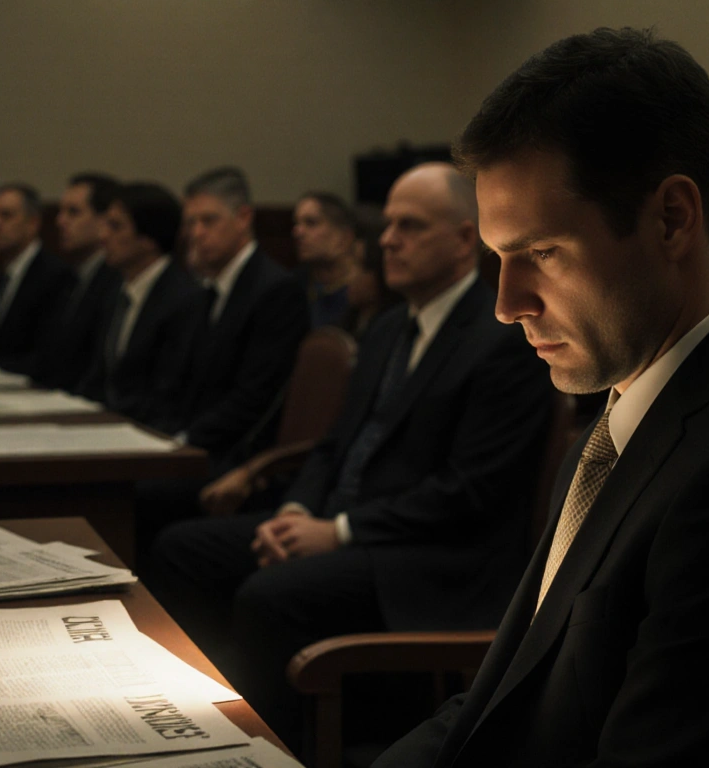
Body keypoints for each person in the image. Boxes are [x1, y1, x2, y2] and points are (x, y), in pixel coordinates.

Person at [376, 28, 709, 767]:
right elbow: (503, 705)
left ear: (671, 219)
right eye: (499, 259)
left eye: (541, 254)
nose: (506, 303)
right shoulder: (633, 417)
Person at [150, 162, 553, 748]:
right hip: (345, 525)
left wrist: (337, 530)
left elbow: (469, 492)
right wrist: (294, 510)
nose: (386, 239)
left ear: (466, 239)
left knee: (270, 595)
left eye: (409, 226)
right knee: (181, 549)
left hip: (427, 556)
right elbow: (335, 444)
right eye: (387, 224)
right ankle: (196, 725)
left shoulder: (501, 337)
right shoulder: (389, 327)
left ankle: (277, 751)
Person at [173, 166, 309, 469]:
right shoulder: (208, 289)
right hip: (195, 445)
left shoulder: (275, 291)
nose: (196, 233)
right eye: (190, 223)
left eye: (208, 220)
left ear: (244, 217)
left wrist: (183, 440)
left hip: (236, 459)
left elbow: (255, 399)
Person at [78, 182, 201, 427]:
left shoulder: (183, 299)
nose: (103, 237)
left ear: (149, 239)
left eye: (115, 226)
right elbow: (100, 376)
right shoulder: (114, 291)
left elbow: (167, 394)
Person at [0, 183, 73, 375]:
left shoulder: (54, 276)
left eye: (5, 215)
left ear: (32, 223)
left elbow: (44, 356)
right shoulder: (4, 275)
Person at [36, 172, 123, 391]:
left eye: (73, 212)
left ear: (105, 220)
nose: (60, 221)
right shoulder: (71, 278)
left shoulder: (116, 280)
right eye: (61, 211)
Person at [292, 191, 358, 329]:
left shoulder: (365, 290)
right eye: (296, 223)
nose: (298, 232)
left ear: (345, 236)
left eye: (311, 223)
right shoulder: (293, 286)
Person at [344, 204, 395, 337]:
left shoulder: (393, 329)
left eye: (361, 267)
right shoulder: (347, 321)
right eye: (348, 263)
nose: (350, 276)